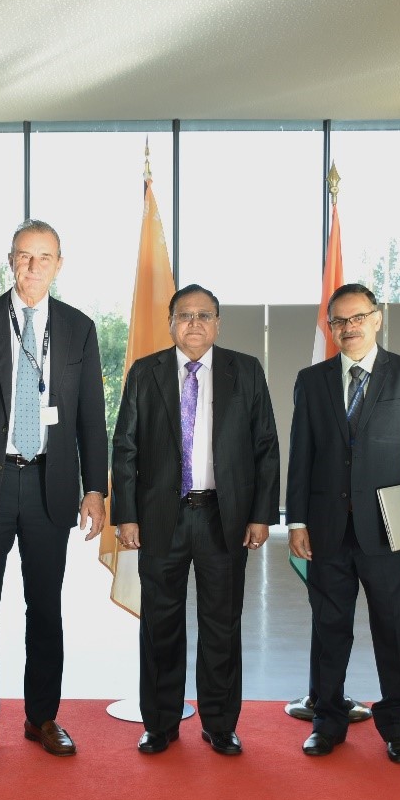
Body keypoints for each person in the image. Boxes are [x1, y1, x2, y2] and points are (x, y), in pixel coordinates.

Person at [0, 219, 108, 763]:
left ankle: (43, 717)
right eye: (24, 257)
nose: (33, 267)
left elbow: (92, 420)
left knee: (44, 610)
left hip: (51, 486)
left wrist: (95, 489)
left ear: (59, 263)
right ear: (10, 262)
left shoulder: (79, 329)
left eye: (44, 257)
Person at [112, 284, 280, 756]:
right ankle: (161, 722)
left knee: (221, 625)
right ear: (170, 323)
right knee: (160, 625)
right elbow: (124, 447)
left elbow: (266, 445)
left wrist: (261, 515)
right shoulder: (146, 373)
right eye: (184, 315)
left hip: (223, 520)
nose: (194, 324)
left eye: (204, 315)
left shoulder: (244, 370)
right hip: (161, 518)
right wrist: (126, 514)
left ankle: (220, 723)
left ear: (218, 324)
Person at [287, 283, 400, 763]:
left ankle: (396, 724)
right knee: (329, 628)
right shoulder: (312, 380)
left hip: (391, 528)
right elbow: (302, 456)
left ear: (377, 319)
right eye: (339, 321)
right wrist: (295, 521)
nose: (349, 328)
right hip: (327, 528)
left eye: (358, 318)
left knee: (394, 629)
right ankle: (327, 720)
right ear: (330, 328)